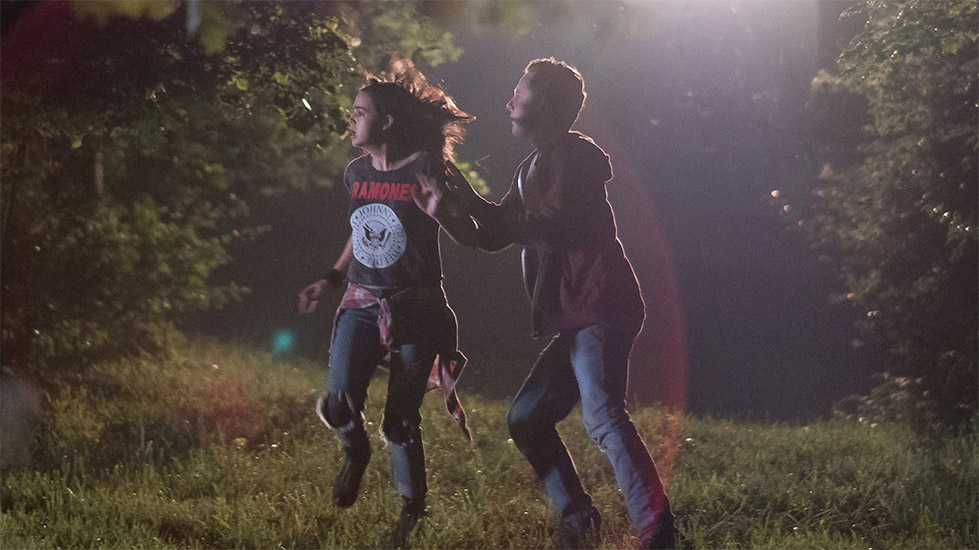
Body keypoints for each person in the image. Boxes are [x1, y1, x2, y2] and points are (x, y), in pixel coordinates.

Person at [413, 58, 677, 549]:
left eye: (520, 94)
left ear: (550, 106)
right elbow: (494, 233)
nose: (508, 103)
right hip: (576, 316)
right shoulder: (529, 168)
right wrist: (447, 205)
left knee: (603, 416)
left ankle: (657, 533)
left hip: (602, 303)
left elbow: (547, 231)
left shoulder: (577, 158)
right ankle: (579, 521)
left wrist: (469, 203)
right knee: (527, 419)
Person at [298, 59, 473, 546]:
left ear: (387, 122)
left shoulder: (426, 167)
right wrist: (331, 278)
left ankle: (412, 507)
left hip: (416, 306)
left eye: (360, 113)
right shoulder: (356, 173)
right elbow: (363, 228)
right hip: (360, 300)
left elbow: (466, 230)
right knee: (338, 401)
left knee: (400, 419)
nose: (351, 120)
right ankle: (355, 452)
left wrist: (441, 211)